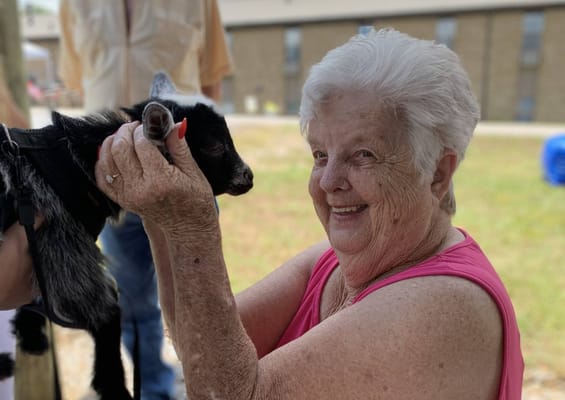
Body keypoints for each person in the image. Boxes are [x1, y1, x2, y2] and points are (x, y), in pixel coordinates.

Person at [58, 1, 233, 399]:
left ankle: (215, 387)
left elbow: (211, 83)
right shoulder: (74, 5)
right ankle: (154, 390)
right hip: (112, 188)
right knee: (133, 302)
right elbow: (83, 81)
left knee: (202, 295)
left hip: (183, 183)